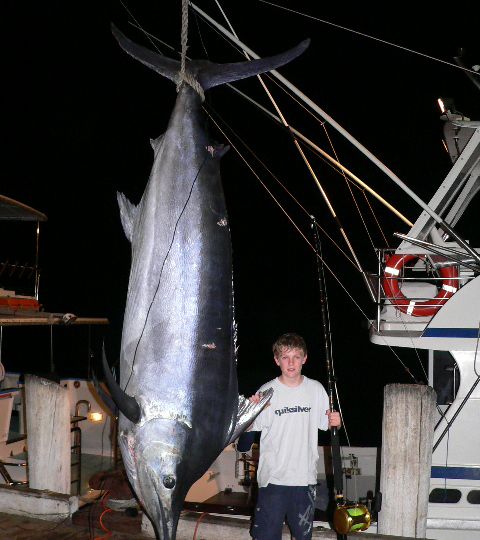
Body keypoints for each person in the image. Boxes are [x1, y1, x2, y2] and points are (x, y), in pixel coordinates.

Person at [248, 332, 341, 540]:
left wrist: (337, 421)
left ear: (304, 359)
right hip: (272, 480)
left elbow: (326, 423)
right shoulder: (266, 391)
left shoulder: (316, 390)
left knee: (303, 537)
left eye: (296, 357)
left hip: (304, 480)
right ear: (277, 360)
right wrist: (251, 410)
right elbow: (249, 429)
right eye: (285, 357)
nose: (291, 362)